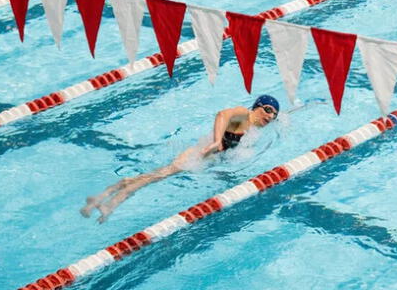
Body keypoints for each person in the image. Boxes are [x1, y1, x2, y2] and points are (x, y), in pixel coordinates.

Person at [80, 95, 280, 223]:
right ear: (257, 107)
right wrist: (217, 141)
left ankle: (101, 198)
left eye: (275, 115)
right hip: (197, 155)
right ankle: (109, 204)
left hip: (206, 161)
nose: (271, 116)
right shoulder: (243, 115)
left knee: (154, 176)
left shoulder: (251, 130)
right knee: (155, 177)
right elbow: (222, 115)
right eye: (268, 110)